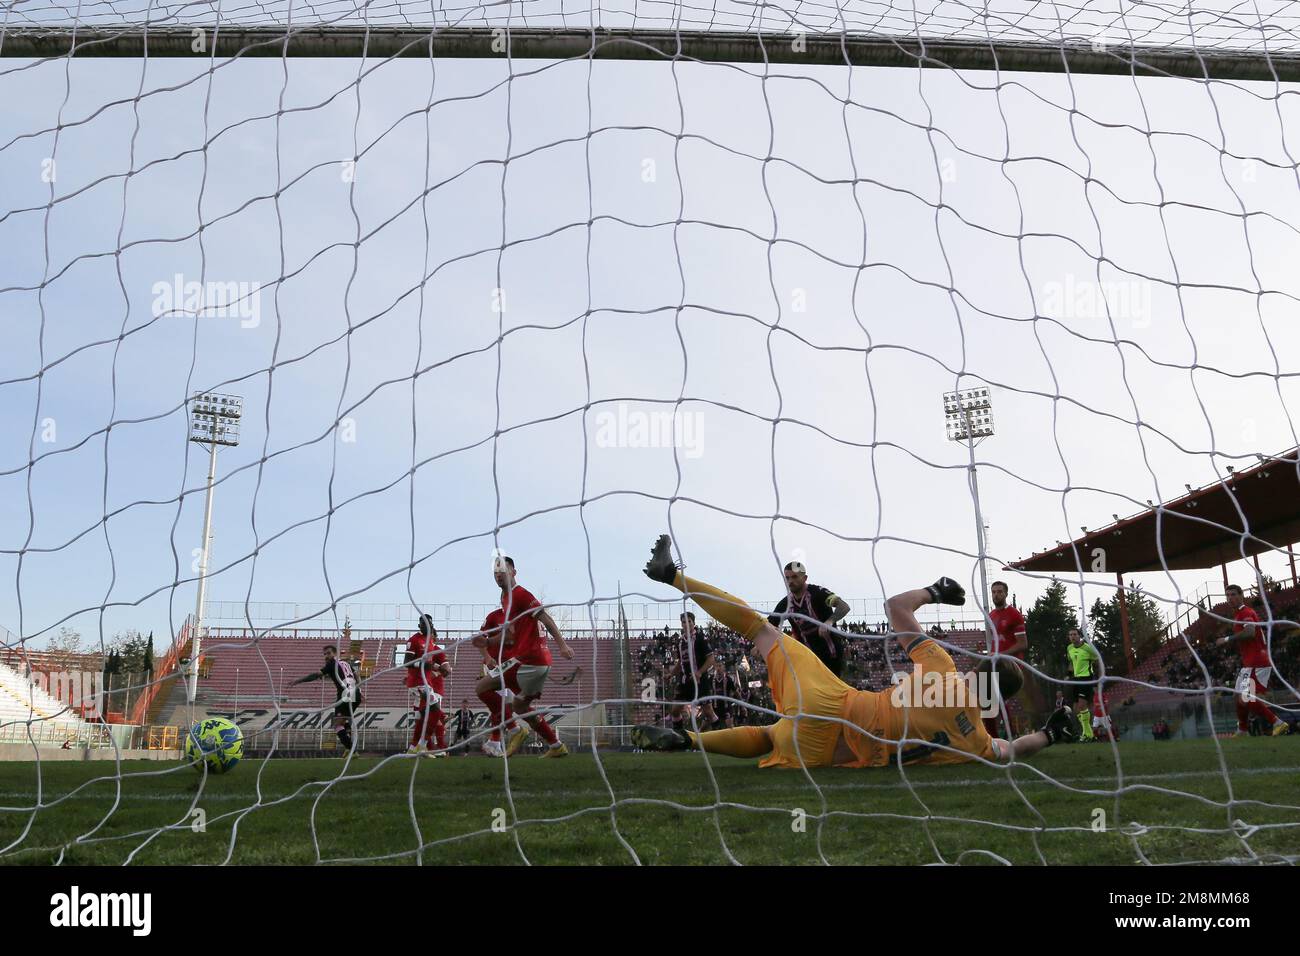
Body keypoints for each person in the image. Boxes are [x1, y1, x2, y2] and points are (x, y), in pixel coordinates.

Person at [632, 534, 1076, 768]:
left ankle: (673, 576)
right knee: (772, 735)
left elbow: (895, 607)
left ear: (978, 664)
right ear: (997, 700)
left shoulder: (942, 668)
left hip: (834, 702)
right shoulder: (977, 742)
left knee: (759, 630)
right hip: (827, 755)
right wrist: (1053, 735)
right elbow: (1016, 749)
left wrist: (935, 591)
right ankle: (688, 739)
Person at [472, 553, 575, 758]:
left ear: (514, 572)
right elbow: (510, 635)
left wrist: (562, 645)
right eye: (495, 573)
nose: (498, 576)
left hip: (528, 659)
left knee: (481, 688)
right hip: (538, 663)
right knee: (521, 706)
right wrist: (489, 642)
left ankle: (514, 730)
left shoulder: (520, 594)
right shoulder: (506, 599)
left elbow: (545, 617)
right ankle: (556, 746)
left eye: (502, 571)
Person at [1218, 584, 1289, 736]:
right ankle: (1242, 729)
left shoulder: (1245, 612)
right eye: (1228, 595)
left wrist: (1226, 639)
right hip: (1249, 663)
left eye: (1233, 595)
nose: (1230, 598)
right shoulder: (1238, 614)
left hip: (1257, 662)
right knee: (1239, 697)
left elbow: (1250, 632)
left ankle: (1278, 723)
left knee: (1245, 697)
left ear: (1241, 595)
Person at [767, 562, 852, 677]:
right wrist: (759, 645)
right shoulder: (785, 603)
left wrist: (829, 622)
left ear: (805, 578)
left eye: (794, 577)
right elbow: (769, 625)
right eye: (787, 578)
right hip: (807, 659)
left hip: (831, 656)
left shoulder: (817, 593)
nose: (790, 581)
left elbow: (844, 606)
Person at [290, 645, 360, 753]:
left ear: (335, 653)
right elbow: (356, 675)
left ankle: (352, 750)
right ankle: (349, 747)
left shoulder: (332, 664)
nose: (326, 656)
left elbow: (316, 675)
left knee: (337, 725)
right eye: (324, 654)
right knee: (344, 721)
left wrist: (298, 681)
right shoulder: (346, 663)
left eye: (328, 653)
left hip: (345, 694)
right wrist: (359, 691)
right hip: (355, 694)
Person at [405, 614, 451, 756]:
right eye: (424, 624)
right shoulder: (414, 640)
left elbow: (430, 663)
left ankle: (413, 748)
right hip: (418, 682)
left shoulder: (430, 641)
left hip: (427, 682)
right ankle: (423, 745)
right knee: (435, 711)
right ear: (419, 626)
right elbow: (407, 662)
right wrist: (422, 663)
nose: (427, 627)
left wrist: (438, 668)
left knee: (421, 716)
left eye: (429, 624)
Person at [667, 612, 719, 733]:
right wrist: (671, 674)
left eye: (689, 621)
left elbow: (711, 659)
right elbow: (681, 662)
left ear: (693, 623)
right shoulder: (680, 642)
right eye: (684, 622)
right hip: (685, 681)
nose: (686, 624)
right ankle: (681, 739)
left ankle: (722, 738)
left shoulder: (700, 638)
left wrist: (699, 672)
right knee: (675, 710)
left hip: (700, 681)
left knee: (708, 712)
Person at [1066, 627, 1100, 742]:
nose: (1072, 636)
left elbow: (1097, 659)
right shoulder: (1069, 648)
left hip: (1086, 679)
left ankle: (1088, 735)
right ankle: (1088, 734)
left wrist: (1097, 678)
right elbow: (1071, 662)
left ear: (1079, 636)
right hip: (1075, 679)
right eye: (1070, 635)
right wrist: (1068, 674)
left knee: (1081, 705)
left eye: (1074, 634)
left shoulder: (1087, 648)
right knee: (1075, 708)